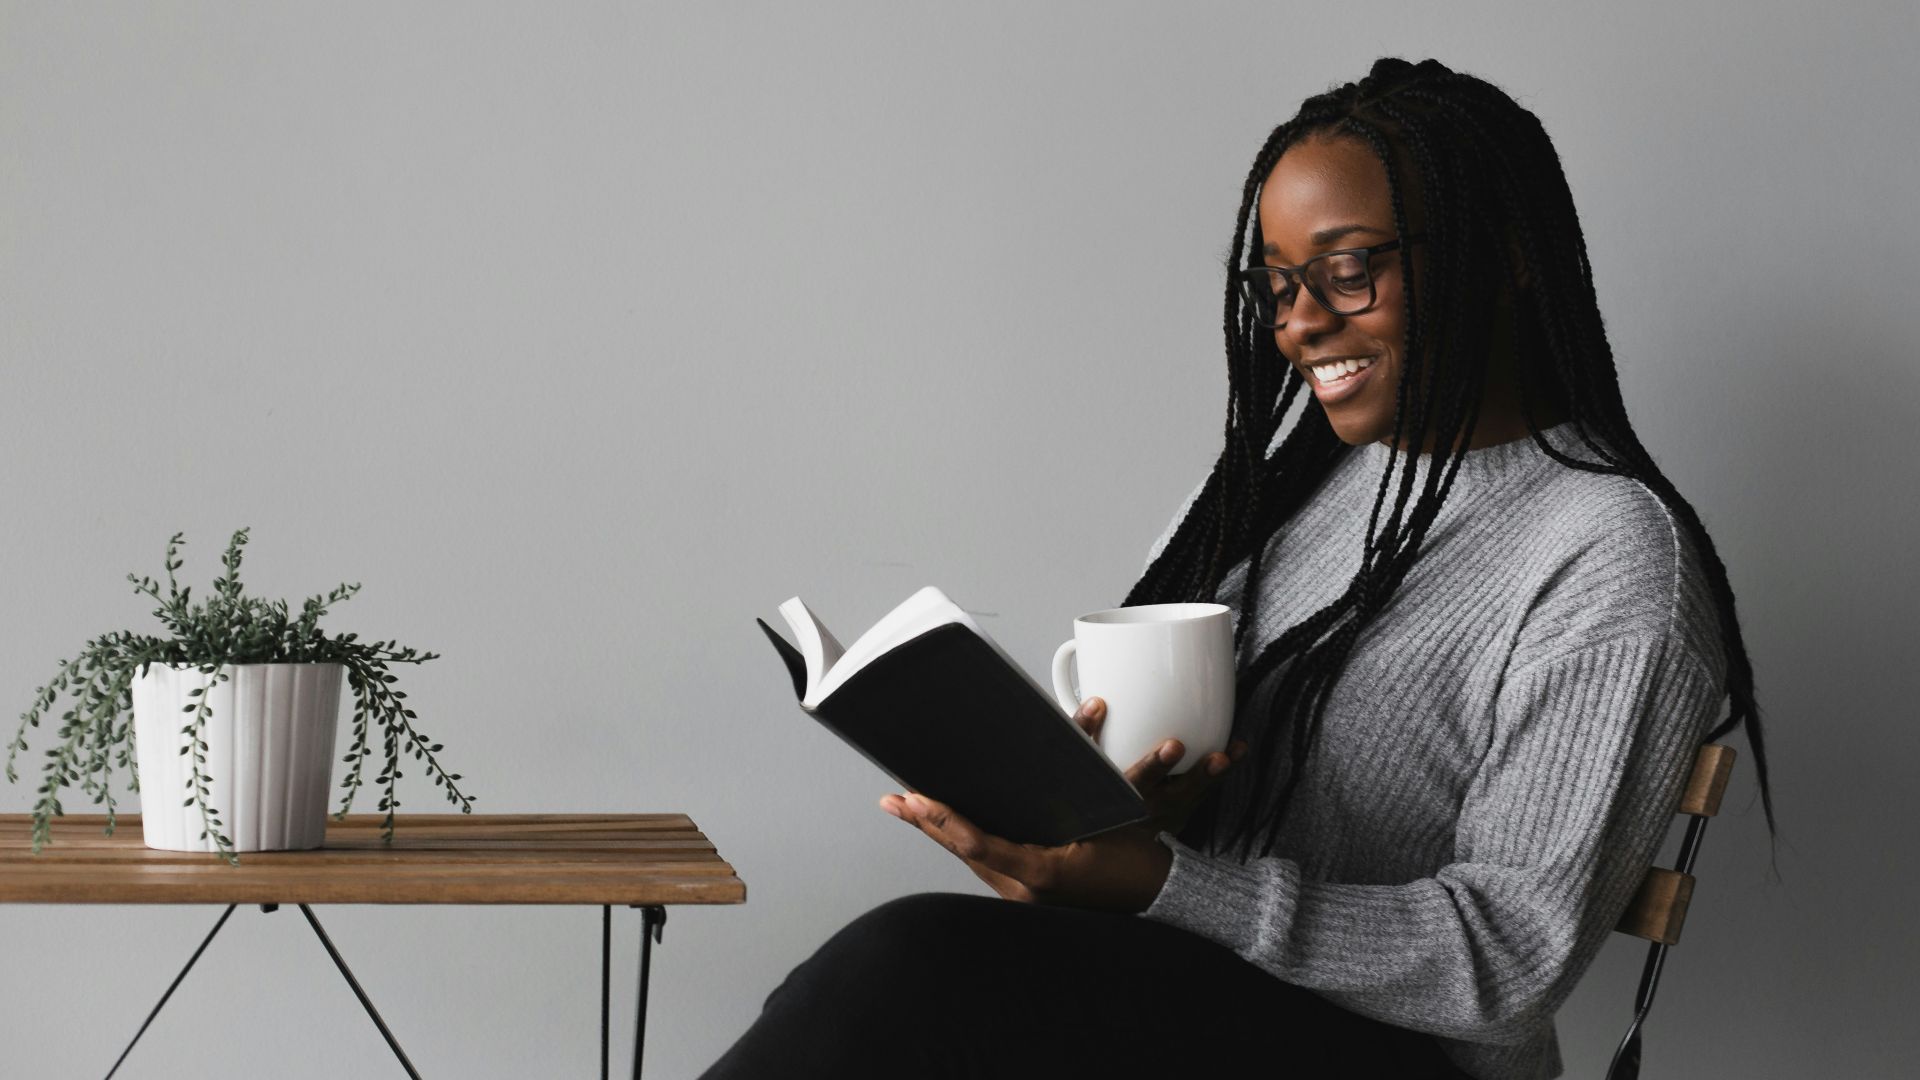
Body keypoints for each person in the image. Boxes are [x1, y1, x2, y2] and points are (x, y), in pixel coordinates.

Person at [700, 56, 1776, 1080]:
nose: (1299, 323)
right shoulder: (1279, 498)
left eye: (1347, 271)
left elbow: (1508, 962)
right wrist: (1105, 835)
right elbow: (1192, 843)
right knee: (887, 995)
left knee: (909, 971)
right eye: (1278, 284)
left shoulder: (1608, 554)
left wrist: (1168, 883)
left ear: (1503, 256)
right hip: (1204, 1005)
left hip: (1403, 1059)